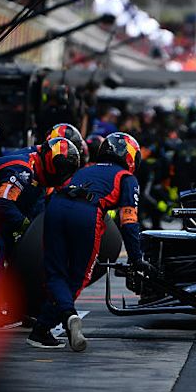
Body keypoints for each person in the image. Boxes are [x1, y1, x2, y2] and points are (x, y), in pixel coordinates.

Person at [28, 132, 146, 352]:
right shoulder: (126, 178)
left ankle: (46, 328)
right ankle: (53, 322)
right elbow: (128, 222)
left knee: (55, 273)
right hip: (87, 213)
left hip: (55, 207)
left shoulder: (86, 168)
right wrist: (136, 258)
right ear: (130, 157)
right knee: (79, 275)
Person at [0, 137, 81, 324]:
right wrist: (26, 227)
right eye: (60, 168)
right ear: (50, 163)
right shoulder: (23, 169)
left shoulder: (37, 172)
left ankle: (21, 306)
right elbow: (2, 202)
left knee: (20, 252)